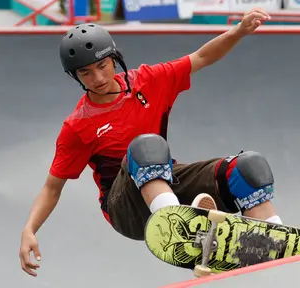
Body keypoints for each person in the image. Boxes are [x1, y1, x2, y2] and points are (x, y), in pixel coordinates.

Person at [19, 7, 282, 277]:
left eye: (102, 66)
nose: (97, 78)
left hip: (165, 183)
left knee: (247, 168)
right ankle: (174, 225)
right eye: (85, 73)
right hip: (124, 208)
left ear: (113, 59)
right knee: (146, 146)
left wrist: (238, 31)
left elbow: (201, 57)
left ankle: (276, 242)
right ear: (75, 76)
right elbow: (52, 187)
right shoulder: (77, 126)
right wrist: (30, 229)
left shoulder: (148, 81)